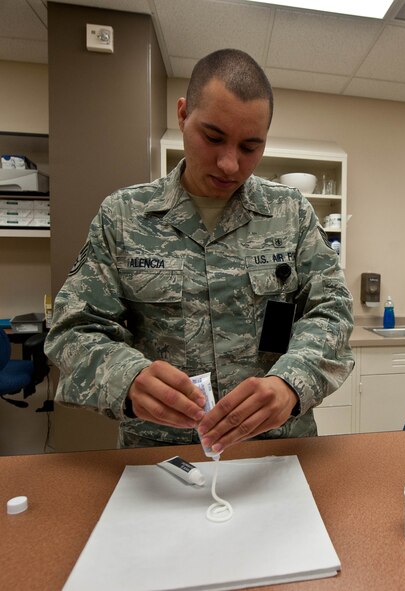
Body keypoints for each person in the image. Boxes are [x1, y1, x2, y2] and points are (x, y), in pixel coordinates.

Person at [45, 48, 354, 454]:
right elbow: (74, 330)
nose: (229, 164)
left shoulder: (290, 212)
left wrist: (290, 383)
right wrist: (127, 377)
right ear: (183, 114)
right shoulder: (122, 216)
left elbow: (331, 312)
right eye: (213, 137)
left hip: (273, 449)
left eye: (250, 147)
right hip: (162, 455)